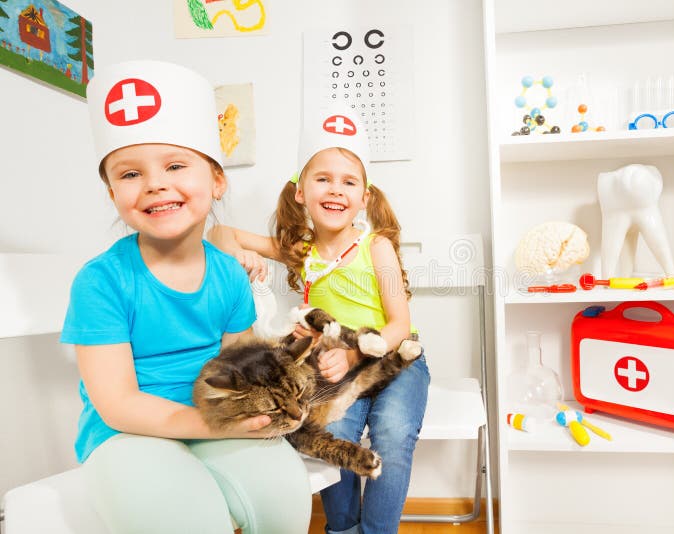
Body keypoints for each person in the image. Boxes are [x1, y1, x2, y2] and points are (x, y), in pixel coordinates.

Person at [60, 60, 311, 534]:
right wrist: (220, 425)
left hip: (217, 416)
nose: (155, 183)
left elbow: (242, 366)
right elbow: (118, 404)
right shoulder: (101, 282)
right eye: (130, 173)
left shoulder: (228, 277)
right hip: (125, 435)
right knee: (184, 517)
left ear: (217, 180)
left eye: (175, 165)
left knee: (284, 495)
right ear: (113, 194)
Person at [208, 108, 430, 534]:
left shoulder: (376, 247)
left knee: (394, 438)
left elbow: (400, 323)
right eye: (322, 178)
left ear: (365, 197)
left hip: (395, 359)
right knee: (332, 438)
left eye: (349, 182)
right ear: (300, 192)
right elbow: (219, 234)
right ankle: (342, 529)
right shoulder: (300, 249)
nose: (335, 190)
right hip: (331, 370)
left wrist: (352, 356)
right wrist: (240, 254)